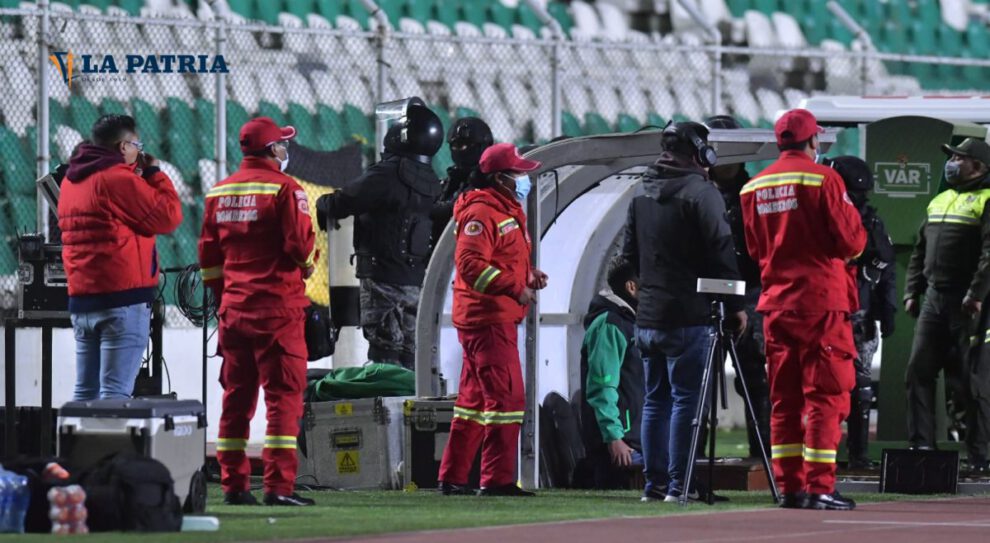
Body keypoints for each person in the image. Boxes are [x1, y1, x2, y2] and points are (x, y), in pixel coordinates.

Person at [741, 108, 866, 510]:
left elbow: (755, 250)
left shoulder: (753, 187)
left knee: (785, 400)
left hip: (777, 305)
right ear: (813, 141)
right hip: (821, 305)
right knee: (827, 397)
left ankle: (791, 488)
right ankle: (820, 487)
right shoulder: (824, 179)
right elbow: (852, 243)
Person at [621, 122, 747, 503]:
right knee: (685, 403)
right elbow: (721, 255)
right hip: (689, 318)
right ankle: (680, 486)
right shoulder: (702, 194)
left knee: (655, 402)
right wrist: (737, 305)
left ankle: (654, 486)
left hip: (648, 318)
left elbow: (627, 261)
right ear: (700, 153)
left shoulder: (640, 194)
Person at [199, 117, 317, 507]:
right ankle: (279, 487)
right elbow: (300, 247)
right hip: (277, 312)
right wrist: (309, 263)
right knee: (283, 398)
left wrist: (226, 298)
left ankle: (234, 484)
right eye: (282, 145)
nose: (286, 151)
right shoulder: (285, 189)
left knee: (236, 398)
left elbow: (209, 261)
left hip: (234, 311)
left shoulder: (218, 192)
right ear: (271, 150)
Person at [437, 143, 548, 497]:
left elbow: (498, 260)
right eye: (518, 173)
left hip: (485, 319)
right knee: (507, 400)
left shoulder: (502, 210)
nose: (524, 178)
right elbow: (471, 267)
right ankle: (497, 480)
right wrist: (515, 289)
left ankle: (453, 477)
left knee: (471, 402)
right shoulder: (484, 213)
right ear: (499, 178)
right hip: (488, 321)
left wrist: (527, 276)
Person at [59, 114, 182, 401]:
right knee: (114, 394)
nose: (139, 150)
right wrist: (154, 174)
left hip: (83, 300)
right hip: (121, 301)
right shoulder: (117, 179)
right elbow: (168, 216)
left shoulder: (72, 180)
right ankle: (107, 449)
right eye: (137, 144)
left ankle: (75, 447)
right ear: (124, 146)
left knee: (85, 393)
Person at [316, 104, 444, 370]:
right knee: (412, 354)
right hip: (416, 282)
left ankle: (385, 409)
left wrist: (324, 204)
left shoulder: (387, 173)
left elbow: (346, 200)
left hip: (382, 279)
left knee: (384, 354)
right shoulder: (433, 179)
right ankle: (411, 408)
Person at [904, 138, 990, 467]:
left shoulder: (986, 200)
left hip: (971, 304)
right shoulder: (940, 200)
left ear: (979, 166)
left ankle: (979, 455)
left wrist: (976, 294)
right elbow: (919, 250)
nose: (952, 162)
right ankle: (921, 448)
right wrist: (912, 290)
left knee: (973, 380)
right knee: (918, 373)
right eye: (952, 156)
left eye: (959, 157)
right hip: (934, 300)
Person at [705, 114, 771, 460]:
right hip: (703, 294)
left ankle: (763, 459)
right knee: (696, 380)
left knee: (754, 380)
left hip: (748, 292)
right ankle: (690, 462)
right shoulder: (695, 192)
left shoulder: (757, 193)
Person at [824, 155, 897, 470]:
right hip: (856, 312)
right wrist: (888, 309)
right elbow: (886, 268)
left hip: (840, 312)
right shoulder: (871, 222)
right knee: (857, 386)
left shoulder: (838, 217)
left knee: (837, 386)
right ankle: (857, 456)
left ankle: (838, 455)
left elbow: (884, 266)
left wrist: (887, 309)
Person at [579, 255, 644, 489]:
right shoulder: (610, 325)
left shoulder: (629, 321)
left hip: (632, 440)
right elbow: (601, 388)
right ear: (631, 287)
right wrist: (614, 437)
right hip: (619, 447)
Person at [430, 117, 495, 244]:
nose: (458, 150)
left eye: (463, 145)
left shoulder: (488, 180)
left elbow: (451, 211)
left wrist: (421, 207)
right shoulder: (455, 176)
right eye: (454, 146)